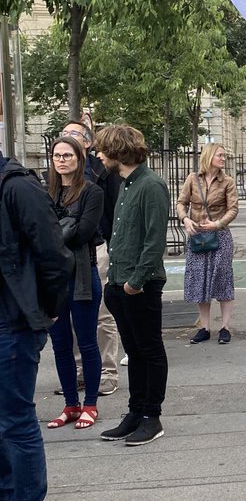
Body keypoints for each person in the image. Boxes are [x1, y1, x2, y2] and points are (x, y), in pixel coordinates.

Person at [0, 148, 73, 501]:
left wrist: (42, 313)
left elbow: (54, 257)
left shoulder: (19, 187)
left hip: (13, 324)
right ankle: (6, 498)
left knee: (15, 419)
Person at [95, 125, 170, 447]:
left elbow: (154, 241)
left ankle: (151, 416)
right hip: (119, 282)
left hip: (140, 285)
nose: (98, 155)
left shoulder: (151, 185)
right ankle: (135, 412)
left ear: (117, 151)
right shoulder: (125, 185)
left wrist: (134, 283)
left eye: (102, 150)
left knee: (150, 351)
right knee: (135, 352)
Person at [45, 136, 105, 430]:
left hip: (82, 275)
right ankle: (70, 404)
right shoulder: (47, 192)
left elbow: (84, 233)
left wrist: (51, 236)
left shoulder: (91, 192)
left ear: (79, 159)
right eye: (57, 155)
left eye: (67, 155)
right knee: (59, 344)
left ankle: (90, 404)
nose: (61, 160)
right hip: (54, 279)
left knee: (87, 341)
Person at [58, 120, 121, 394]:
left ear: (87, 142)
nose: (66, 141)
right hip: (64, 255)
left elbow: (115, 211)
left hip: (96, 248)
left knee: (102, 314)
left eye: (73, 135)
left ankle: (107, 372)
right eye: (63, 135)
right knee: (71, 317)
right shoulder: (55, 178)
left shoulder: (101, 172)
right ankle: (79, 372)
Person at [176, 143, 239, 345]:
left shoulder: (227, 181)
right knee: (200, 281)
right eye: (220, 155)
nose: (223, 158)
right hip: (197, 236)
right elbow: (181, 202)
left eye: (224, 155)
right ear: (210, 156)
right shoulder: (193, 179)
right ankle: (204, 327)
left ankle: (225, 327)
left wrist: (218, 224)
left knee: (222, 280)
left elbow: (233, 209)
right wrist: (185, 219)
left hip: (219, 237)